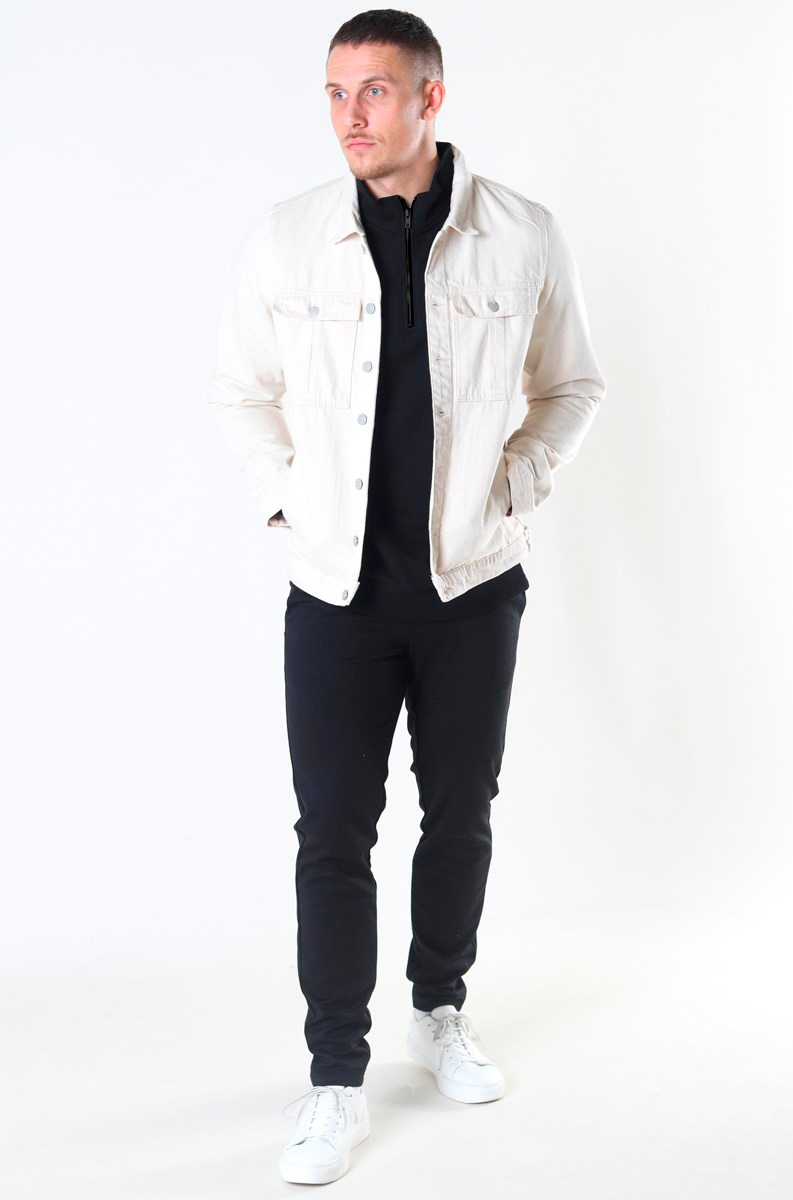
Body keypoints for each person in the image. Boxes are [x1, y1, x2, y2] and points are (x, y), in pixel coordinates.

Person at [208, 9, 606, 1186]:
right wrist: (288, 506)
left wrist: (514, 481)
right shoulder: (288, 237)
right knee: (332, 832)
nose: (349, 116)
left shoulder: (519, 235)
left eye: (373, 91)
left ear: (431, 98)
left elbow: (572, 386)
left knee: (459, 809)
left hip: (470, 586)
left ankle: (439, 1006)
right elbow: (239, 391)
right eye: (334, 93)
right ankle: (335, 1072)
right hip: (335, 594)